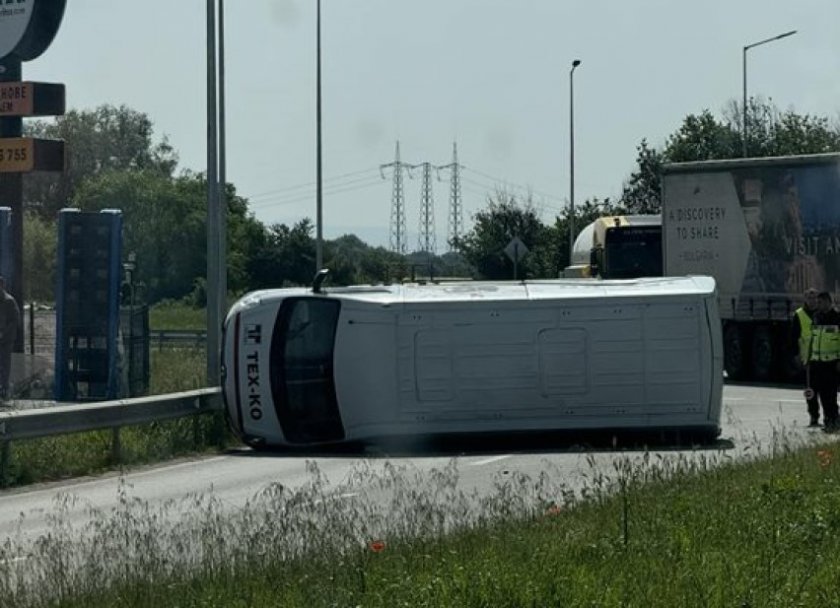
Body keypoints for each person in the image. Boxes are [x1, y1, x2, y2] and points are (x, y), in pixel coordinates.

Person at [808, 291, 840, 431]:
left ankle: (834, 420)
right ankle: (828, 420)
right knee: (820, 394)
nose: (817, 305)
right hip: (817, 362)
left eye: (820, 302)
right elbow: (813, 339)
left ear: (828, 301)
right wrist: (809, 357)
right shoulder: (816, 317)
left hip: (832, 363)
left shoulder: (837, 318)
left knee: (830, 394)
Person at [792, 288, 820, 426]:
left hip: (823, 357)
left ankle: (830, 417)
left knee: (827, 390)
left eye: (814, 298)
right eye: (810, 298)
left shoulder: (823, 314)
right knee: (810, 390)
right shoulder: (799, 315)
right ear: (805, 299)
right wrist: (796, 356)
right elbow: (793, 337)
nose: (812, 300)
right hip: (808, 358)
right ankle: (813, 416)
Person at [0, 276, 19, 400]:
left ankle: (4, 390)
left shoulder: (9, 301)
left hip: (6, 340)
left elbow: (15, 322)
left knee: (4, 364)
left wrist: (3, 333)